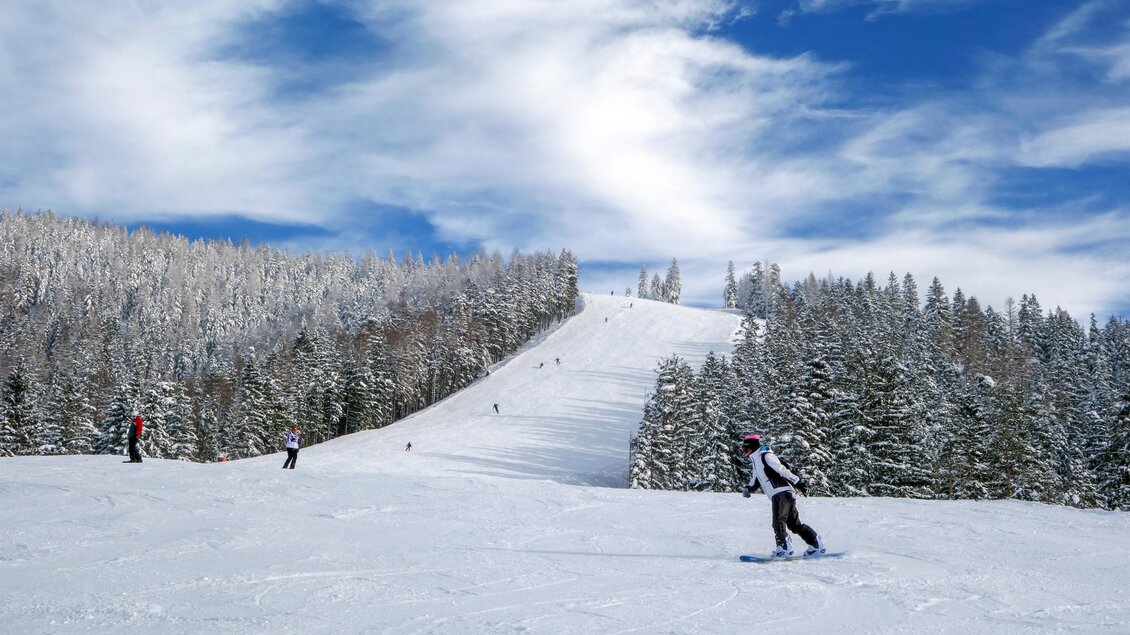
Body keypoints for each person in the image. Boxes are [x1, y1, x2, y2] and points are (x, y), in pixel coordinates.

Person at [741, 434, 825, 558]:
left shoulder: (766, 456)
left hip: (781, 492)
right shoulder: (756, 460)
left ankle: (784, 548)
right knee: (794, 525)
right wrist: (749, 488)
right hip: (783, 494)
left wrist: (798, 482)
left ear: (751, 446)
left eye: (745, 448)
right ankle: (816, 543)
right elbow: (756, 479)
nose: (744, 452)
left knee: (778, 522)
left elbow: (782, 470)